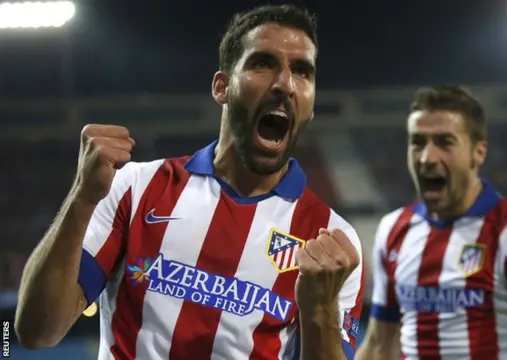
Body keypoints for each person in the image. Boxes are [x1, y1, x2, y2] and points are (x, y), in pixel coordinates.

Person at [14, 4, 365, 360]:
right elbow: (37, 331)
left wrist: (320, 312)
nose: (285, 84)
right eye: (263, 63)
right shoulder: (135, 187)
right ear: (222, 87)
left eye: (302, 71)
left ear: (312, 103)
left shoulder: (331, 240)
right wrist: (82, 197)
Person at [355, 85, 507, 360]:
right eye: (418, 142)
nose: (427, 158)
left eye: (444, 142)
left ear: (478, 153)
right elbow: (378, 346)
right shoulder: (393, 230)